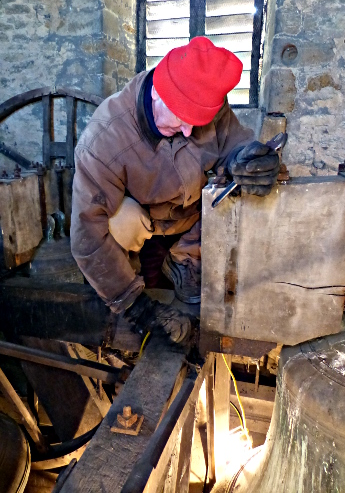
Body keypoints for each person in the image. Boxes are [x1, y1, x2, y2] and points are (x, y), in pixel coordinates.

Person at [70, 37, 279, 345]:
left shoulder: (207, 108)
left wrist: (247, 161)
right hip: (143, 225)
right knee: (116, 221)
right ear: (157, 93)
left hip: (188, 215)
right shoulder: (103, 140)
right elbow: (87, 236)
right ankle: (138, 277)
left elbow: (234, 143)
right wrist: (135, 306)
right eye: (179, 122)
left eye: (196, 124)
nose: (187, 132)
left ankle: (184, 257)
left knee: (228, 195)